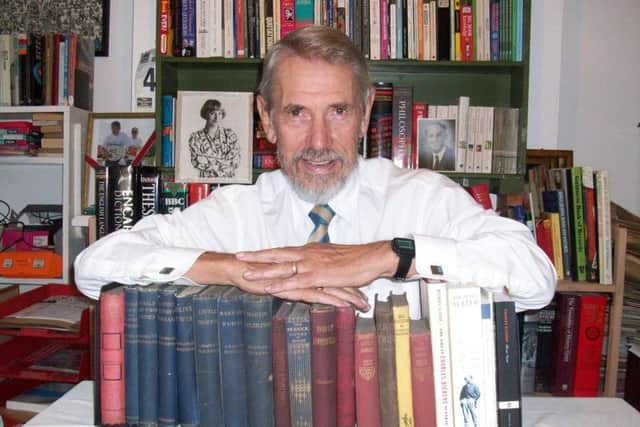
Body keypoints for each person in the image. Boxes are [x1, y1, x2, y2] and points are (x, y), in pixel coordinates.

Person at [75, 26, 555, 316]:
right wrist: (233, 270)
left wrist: (390, 256)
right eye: (297, 113)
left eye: (339, 112)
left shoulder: (423, 198)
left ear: (366, 113)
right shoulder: (236, 211)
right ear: (266, 117)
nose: (320, 142)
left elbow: (536, 279)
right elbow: (93, 269)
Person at [188, 99, 241, 179]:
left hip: (228, 182)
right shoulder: (195, 137)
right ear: (205, 114)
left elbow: (235, 160)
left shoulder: (230, 135)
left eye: (219, 113)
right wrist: (223, 161)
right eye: (212, 113)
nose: (216, 117)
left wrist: (211, 159)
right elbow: (197, 161)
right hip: (205, 181)